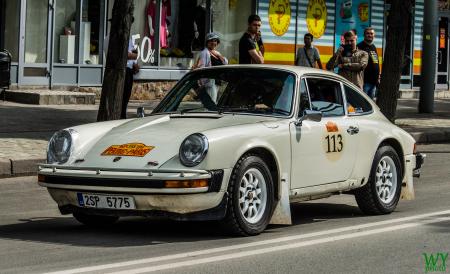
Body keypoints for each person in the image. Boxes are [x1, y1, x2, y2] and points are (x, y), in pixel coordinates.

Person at [193, 32, 228, 103]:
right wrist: (204, 83)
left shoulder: (217, 53)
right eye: (211, 40)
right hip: (210, 82)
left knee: (215, 103)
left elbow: (225, 63)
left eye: (215, 40)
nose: (213, 42)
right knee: (211, 104)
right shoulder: (204, 53)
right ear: (207, 42)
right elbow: (201, 68)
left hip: (217, 82)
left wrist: (219, 56)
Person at [121, 18, 139, 119]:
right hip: (124, 69)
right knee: (123, 96)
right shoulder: (119, 37)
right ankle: (121, 115)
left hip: (129, 69)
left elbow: (132, 52)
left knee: (126, 96)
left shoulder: (129, 37)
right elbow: (124, 54)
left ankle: (123, 114)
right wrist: (134, 56)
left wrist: (135, 63)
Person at [357, 27, 380, 99]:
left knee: (370, 104)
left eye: (371, 34)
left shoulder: (373, 47)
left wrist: (378, 76)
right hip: (364, 82)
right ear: (364, 35)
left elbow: (376, 62)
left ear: (374, 35)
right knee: (363, 102)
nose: (370, 35)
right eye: (368, 33)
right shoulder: (360, 46)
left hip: (374, 82)